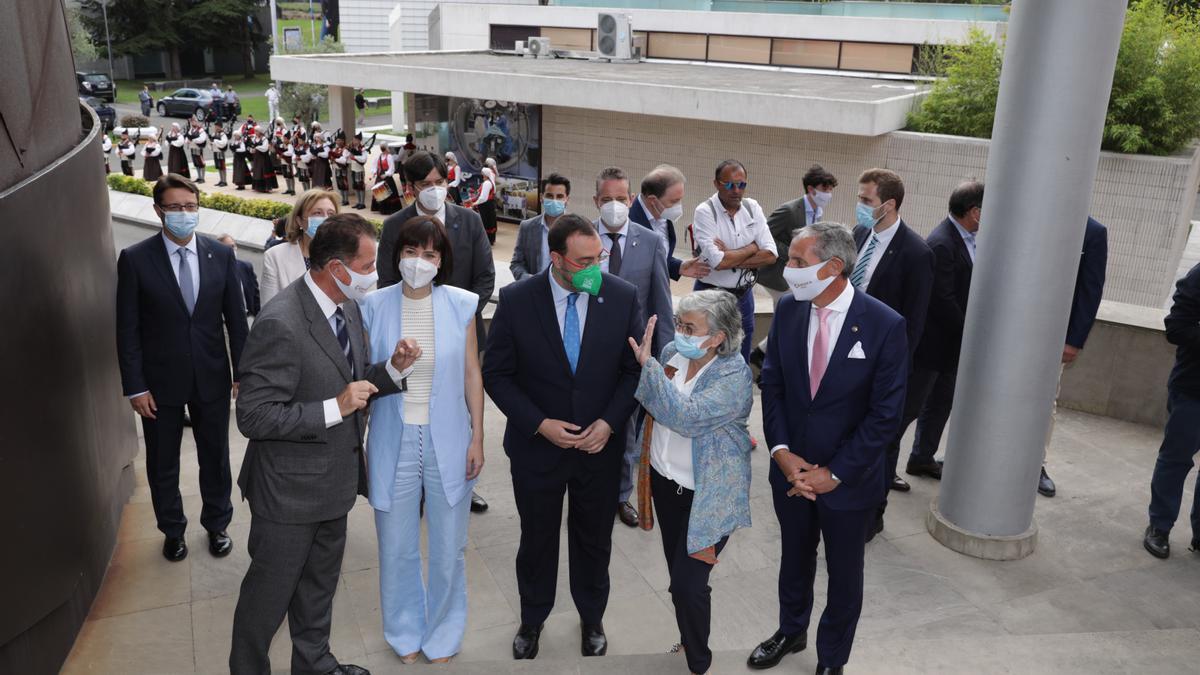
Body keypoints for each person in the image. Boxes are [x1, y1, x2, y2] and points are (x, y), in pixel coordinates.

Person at [230, 213, 413, 675]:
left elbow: (351, 384)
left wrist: (391, 370)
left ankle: (314, 664)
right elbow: (252, 415)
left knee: (318, 587)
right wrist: (334, 407)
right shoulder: (281, 322)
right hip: (288, 496)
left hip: (334, 484)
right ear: (336, 269)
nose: (376, 274)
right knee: (266, 599)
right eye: (368, 265)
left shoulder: (346, 306)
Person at [482, 214, 643, 660]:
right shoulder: (517, 300)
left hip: (599, 447)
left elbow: (633, 371)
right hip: (537, 448)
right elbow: (497, 374)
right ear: (556, 259)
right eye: (584, 260)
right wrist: (539, 423)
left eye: (600, 257)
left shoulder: (622, 295)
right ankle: (532, 618)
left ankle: (592, 617)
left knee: (594, 538)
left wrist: (609, 423)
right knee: (536, 538)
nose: (596, 267)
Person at [751, 222, 907, 675]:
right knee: (794, 558)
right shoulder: (789, 311)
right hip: (791, 472)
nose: (789, 268)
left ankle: (832, 659)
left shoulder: (884, 325)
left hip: (848, 481)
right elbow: (774, 384)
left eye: (798, 261)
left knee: (844, 575)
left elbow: (885, 415)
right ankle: (791, 630)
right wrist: (781, 452)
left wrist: (834, 472)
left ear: (833, 266)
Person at [360, 215, 485, 664]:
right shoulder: (372, 306)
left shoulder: (462, 304)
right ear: (396, 256)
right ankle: (403, 632)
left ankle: (444, 634)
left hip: (449, 438)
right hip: (393, 437)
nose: (419, 261)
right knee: (395, 545)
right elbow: (364, 378)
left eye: (429, 254)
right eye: (411, 252)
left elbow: (473, 373)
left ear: (442, 260)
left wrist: (478, 438)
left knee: (448, 546)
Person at [116, 173, 249, 562]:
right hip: (159, 384)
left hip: (211, 377)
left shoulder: (220, 255)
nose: (184, 214)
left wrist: (242, 372)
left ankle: (217, 523)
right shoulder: (136, 259)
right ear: (158, 210)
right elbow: (127, 329)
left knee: (216, 457)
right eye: (175, 207)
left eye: (190, 207)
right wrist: (135, 387)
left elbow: (236, 321)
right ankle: (172, 530)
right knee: (162, 462)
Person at [630, 290, 753, 675]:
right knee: (679, 578)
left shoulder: (735, 374)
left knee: (688, 584)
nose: (680, 333)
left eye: (690, 327)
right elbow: (650, 405)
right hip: (668, 486)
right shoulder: (671, 355)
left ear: (717, 336)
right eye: (679, 324)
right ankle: (688, 638)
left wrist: (648, 368)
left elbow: (687, 416)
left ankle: (698, 662)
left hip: (709, 498)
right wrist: (654, 368)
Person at [381, 152, 496, 515]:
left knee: (462, 404)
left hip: (463, 333)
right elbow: (386, 279)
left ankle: (462, 478)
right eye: (426, 185)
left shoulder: (470, 220)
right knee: (414, 404)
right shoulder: (394, 226)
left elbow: (485, 277)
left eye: (439, 182)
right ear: (411, 188)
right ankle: (415, 483)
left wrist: (456, 319)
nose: (434, 190)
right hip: (410, 335)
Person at [849, 168, 933, 525]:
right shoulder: (859, 233)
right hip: (848, 354)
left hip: (882, 363)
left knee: (882, 442)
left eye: (866, 201)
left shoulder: (917, 253)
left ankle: (874, 513)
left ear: (889, 204)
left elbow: (913, 322)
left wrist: (892, 372)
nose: (860, 206)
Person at [592, 166, 673, 528]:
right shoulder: (582, 240)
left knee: (627, 431)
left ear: (631, 200)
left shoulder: (651, 241)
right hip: (590, 356)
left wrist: (666, 361)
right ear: (596, 201)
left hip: (633, 358)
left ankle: (621, 496)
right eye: (606, 199)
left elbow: (662, 303)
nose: (614, 206)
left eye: (620, 199)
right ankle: (587, 490)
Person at [898, 183, 980, 519]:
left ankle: (921, 458)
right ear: (973, 211)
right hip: (932, 346)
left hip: (950, 348)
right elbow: (942, 300)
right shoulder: (943, 243)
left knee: (939, 404)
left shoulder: (967, 239)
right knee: (909, 408)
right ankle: (883, 464)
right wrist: (972, 330)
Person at [1041, 217, 1108, 497]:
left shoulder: (1093, 232)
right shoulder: (1033, 217)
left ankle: (1036, 465)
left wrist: (1074, 341)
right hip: (1012, 332)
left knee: (1046, 402)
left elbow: (1090, 291)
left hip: (1055, 338)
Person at [691, 159, 778, 363]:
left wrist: (730, 254)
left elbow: (771, 255)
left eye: (741, 184)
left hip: (743, 296)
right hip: (710, 295)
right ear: (716, 184)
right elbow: (719, 263)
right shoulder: (705, 211)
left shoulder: (752, 207)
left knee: (739, 359)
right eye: (729, 184)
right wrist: (752, 247)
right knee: (705, 356)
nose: (736, 190)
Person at [754, 165, 839, 366]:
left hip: (795, 275)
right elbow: (765, 236)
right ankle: (765, 354)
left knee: (789, 314)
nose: (828, 194)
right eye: (825, 189)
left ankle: (763, 353)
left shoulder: (817, 212)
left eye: (830, 190)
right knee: (792, 311)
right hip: (776, 275)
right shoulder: (790, 210)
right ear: (811, 189)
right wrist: (794, 253)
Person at [1144, 261, 1200, 560]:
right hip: (1194, 390)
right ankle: (1159, 526)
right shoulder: (1199, 276)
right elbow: (1176, 326)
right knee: (1176, 461)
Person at [261, 188, 340, 305]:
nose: (325, 219)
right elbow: (268, 312)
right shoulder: (275, 257)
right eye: (317, 213)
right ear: (299, 220)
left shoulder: (346, 257)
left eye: (330, 214)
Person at [631, 164, 710, 281]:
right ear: (653, 200)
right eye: (674, 201)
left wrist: (678, 267)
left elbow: (659, 258)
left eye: (680, 200)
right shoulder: (627, 221)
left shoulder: (663, 213)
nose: (678, 206)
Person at [511, 173, 570, 280]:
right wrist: (527, 279)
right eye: (550, 196)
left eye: (560, 196)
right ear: (541, 198)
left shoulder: (577, 230)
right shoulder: (527, 227)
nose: (554, 200)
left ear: (567, 200)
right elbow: (516, 263)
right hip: (535, 291)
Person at [217, 234, 261, 316]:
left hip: (248, 317)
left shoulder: (246, 267)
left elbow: (255, 295)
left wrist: (258, 315)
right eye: (227, 248)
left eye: (232, 246)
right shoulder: (214, 271)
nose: (231, 250)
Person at [465, 166, 498, 245]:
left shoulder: (487, 183)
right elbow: (480, 196)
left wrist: (474, 203)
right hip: (488, 205)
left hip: (485, 205)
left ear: (486, 175)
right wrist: (471, 200)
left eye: (483, 174)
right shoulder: (489, 182)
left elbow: (483, 198)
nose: (482, 175)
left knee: (485, 222)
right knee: (489, 221)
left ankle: (485, 240)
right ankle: (490, 239)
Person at [348, 133, 369, 210]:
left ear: (359, 140)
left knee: (360, 186)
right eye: (353, 140)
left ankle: (362, 203)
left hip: (359, 169)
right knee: (355, 186)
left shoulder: (363, 149)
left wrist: (354, 157)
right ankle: (358, 202)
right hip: (353, 169)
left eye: (355, 140)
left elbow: (364, 159)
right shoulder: (352, 148)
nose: (353, 141)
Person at [331, 132, 351, 206]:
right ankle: (343, 199)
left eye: (339, 140)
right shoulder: (335, 149)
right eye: (337, 140)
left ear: (343, 141)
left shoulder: (345, 149)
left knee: (344, 185)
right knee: (339, 184)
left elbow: (343, 160)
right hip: (336, 169)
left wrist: (335, 159)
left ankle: (346, 200)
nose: (338, 142)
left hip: (343, 169)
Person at [186, 119, 208, 183]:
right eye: (192, 121)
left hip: (198, 148)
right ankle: (199, 177)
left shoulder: (201, 130)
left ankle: (202, 178)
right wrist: (187, 141)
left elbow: (202, 139)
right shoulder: (191, 130)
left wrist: (193, 140)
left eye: (194, 121)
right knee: (196, 163)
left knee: (201, 163)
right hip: (192, 148)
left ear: (197, 122)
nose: (193, 123)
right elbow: (187, 137)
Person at [211, 122, 229, 187]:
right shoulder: (214, 134)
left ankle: (224, 181)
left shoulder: (223, 134)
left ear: (220, 127)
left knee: (222, 167)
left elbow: (224, 143)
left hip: (220, 152)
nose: (215, 128)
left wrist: (215, 141)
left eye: (216, 126)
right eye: (215, 126)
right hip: (215, 151)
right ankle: (221, 180)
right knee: (219, 166)